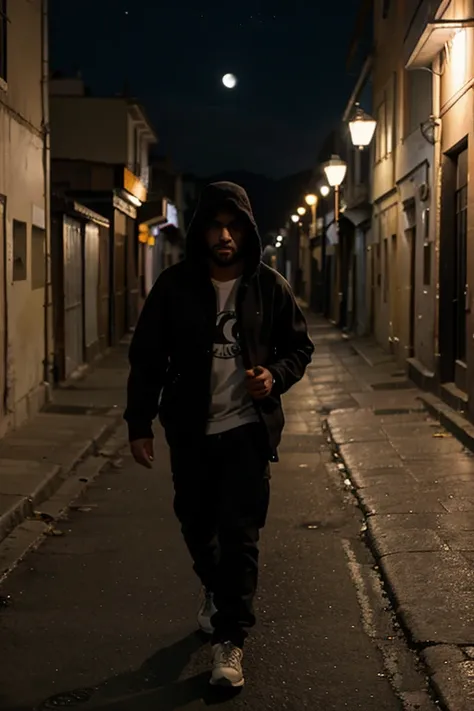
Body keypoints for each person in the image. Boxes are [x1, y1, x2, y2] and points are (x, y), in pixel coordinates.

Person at [124, 181, 314, 688]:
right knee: (195, 524)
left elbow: (299, 349)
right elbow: (146, 359)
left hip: (247, 434)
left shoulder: (269, 286)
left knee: (240, 538)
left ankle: (231, 641)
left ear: (246, 230)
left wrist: (273, 376)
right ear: (202, 231)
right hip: (191, 433)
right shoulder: (174, 286)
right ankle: (215, 589)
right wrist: (138, 424)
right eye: (215, 225)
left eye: (233, 226)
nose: (224, 235)